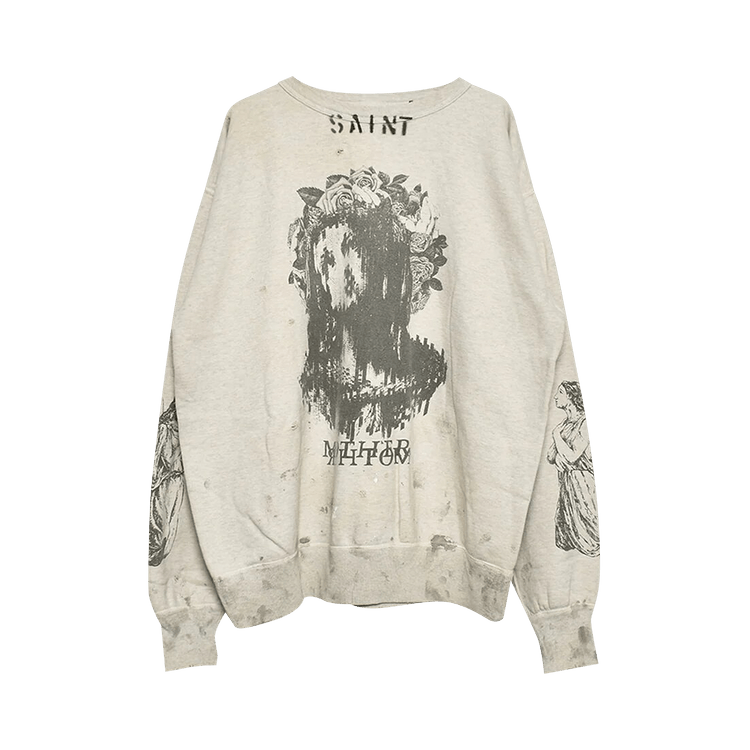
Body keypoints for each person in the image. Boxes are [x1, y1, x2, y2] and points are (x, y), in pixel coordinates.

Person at [547, 381, 600, 556]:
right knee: (566, 537)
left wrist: (556, 436)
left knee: (588, 530)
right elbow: (550, 456)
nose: (555, 397)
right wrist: (557, 459)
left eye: (560, 393)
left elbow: (572, 456)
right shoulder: (564, 424)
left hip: (583, 485)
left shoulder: (584, 423)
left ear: (571, 397)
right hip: (567, 485)